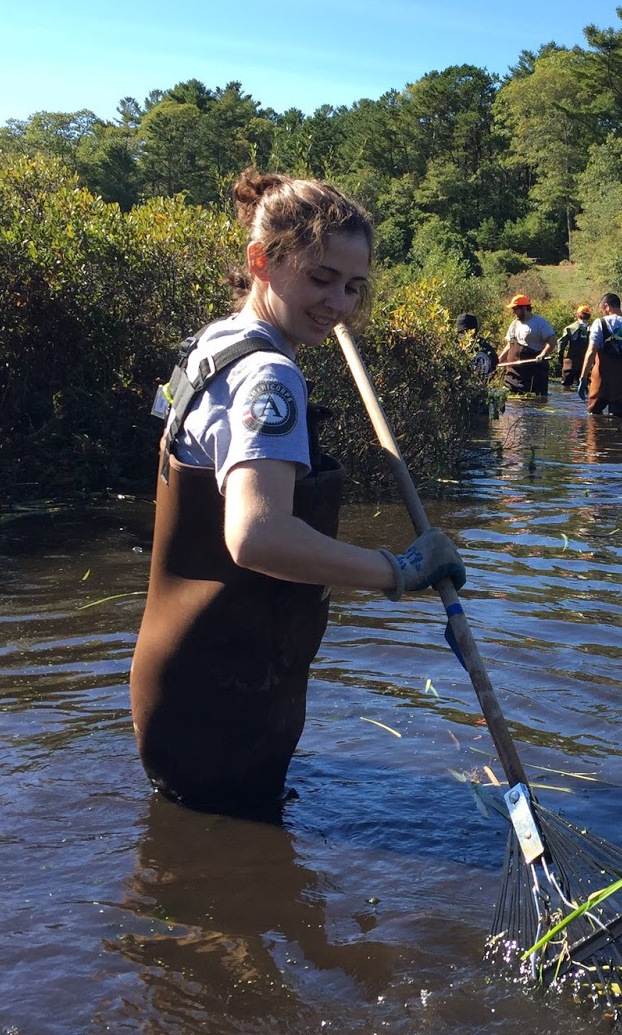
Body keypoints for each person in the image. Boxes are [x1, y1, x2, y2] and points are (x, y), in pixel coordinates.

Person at [130, 169, 468, 816]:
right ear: (262, 261)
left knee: (198, 877)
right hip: (228, 690)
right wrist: (397, 571)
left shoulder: (206, 346)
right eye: (320, 279)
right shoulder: (271, 376)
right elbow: (256, 536)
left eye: (352, 287)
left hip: (178, 674)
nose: (338, 305)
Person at [575, 293, 622, 418]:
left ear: (606, 306)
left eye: (601, 310)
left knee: (593, 420)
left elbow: (591, 351)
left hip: (600, 383)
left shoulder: (599, 323)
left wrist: (582, 378)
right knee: (619, 423)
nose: (602, 313)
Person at [497, 293, 556, 395]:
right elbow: (509, 344)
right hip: (513, 373)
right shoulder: (514, 324)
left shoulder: (539, 323)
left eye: (515, 309)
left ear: (524, 308)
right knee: (510, 402)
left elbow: (552, 340)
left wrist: (543, 354)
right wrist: (499, 359)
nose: (513, 312)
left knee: (533, 402)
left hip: (533, 373)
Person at [555, 304, 593, 390]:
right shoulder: (593, 329)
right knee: (583, 389)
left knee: (566, 390)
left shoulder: (570, 328)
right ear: (589, 316)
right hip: (585, 366)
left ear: (577, 315)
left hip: (570, 364)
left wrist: (561, 359)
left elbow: (561, 343)